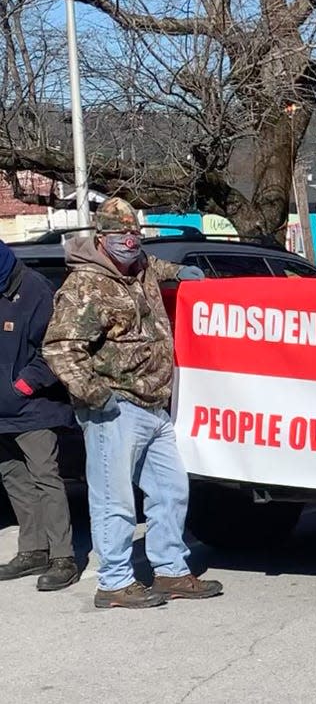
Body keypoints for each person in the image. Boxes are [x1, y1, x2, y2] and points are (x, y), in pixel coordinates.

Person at [43, 197, 221, 610]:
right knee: (114, 501)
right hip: (113, 408)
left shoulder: (140, 268)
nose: (129, 241)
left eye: (134, 234)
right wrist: (95, 394)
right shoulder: (87, 285)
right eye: (120, 235)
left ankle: (171, 570)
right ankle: (115, 582)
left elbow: (158, 267)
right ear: (101, 239)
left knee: (171, 490)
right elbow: (60, 348)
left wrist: (182, 274)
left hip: (154, 404)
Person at [0, 241, 79, 590]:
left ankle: (63, 556)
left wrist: (23, 386)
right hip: (3, 410)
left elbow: (55, 349)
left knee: (46, 477)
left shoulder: (35, 290)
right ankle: (33, 550)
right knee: (13, 477)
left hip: (35, 407)